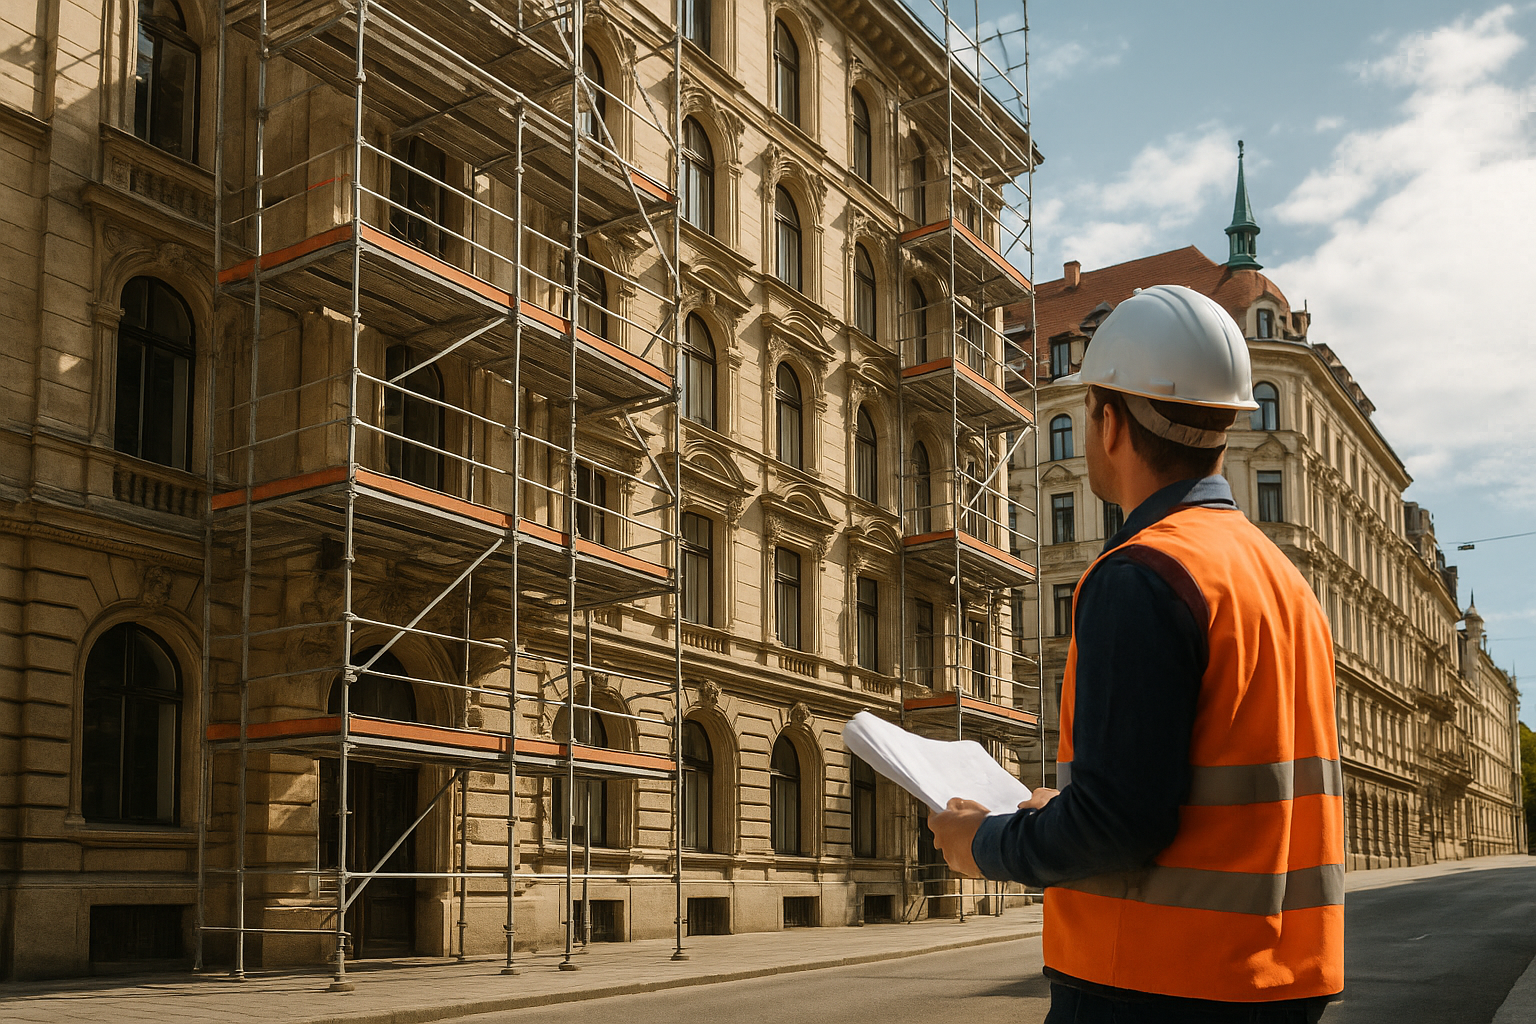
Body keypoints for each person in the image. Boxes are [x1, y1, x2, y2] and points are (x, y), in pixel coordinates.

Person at [928, 284, 1343, 1024]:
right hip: (1281, 981)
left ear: (1110, 421)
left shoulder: (1143, 574)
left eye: (1086, 412)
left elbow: (1119, 827)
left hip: (1155, 981)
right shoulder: (1281, 581)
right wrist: (1067, 805)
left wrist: (981, 844)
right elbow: (1207, 794)